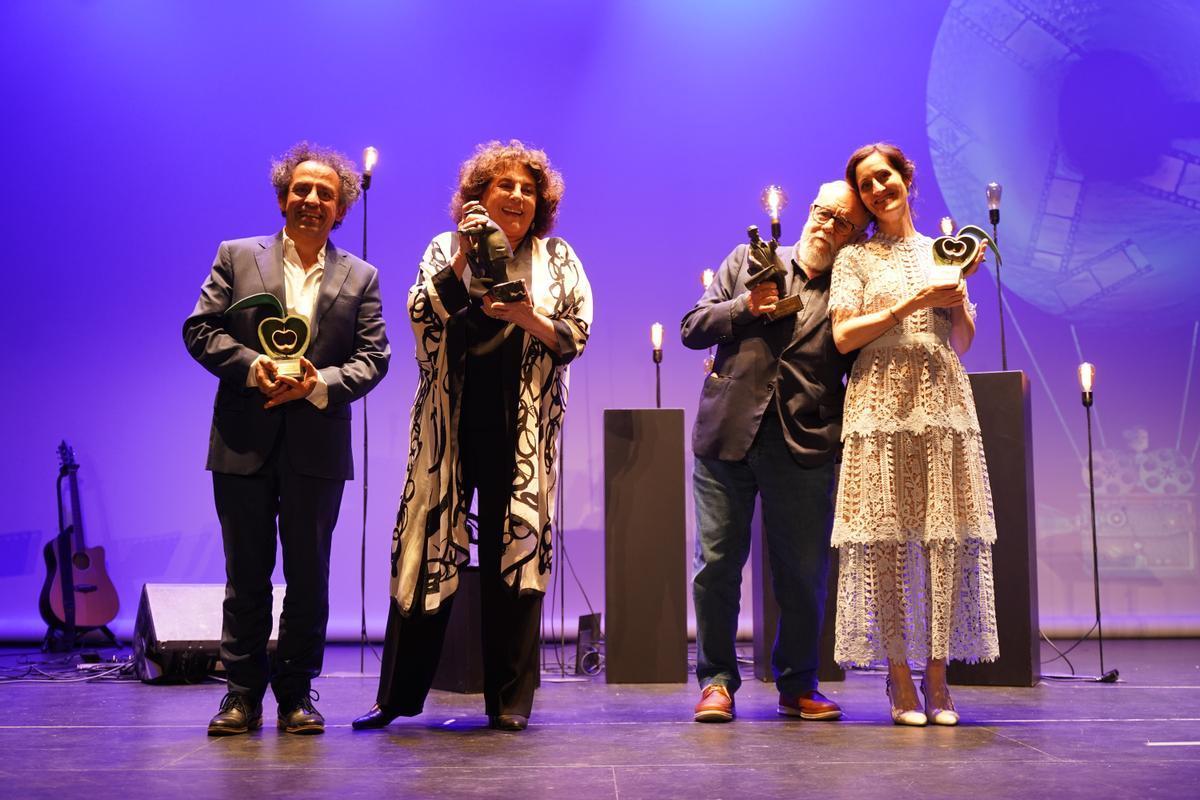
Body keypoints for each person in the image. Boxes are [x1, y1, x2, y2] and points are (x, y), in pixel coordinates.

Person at [353, 140, 592, 733]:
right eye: (503, 185)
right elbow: (420, 311)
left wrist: (525, 316)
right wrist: (463, 255)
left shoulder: (558, 259)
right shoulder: (444, 248)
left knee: (517, 557)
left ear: (541, 204)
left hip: (523, 430)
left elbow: (575, 335)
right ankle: (399, 698)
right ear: (478, 197)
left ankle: (508, 702)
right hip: (448, 427)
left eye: (527, 189)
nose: (516, 195)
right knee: (425, 550)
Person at [184, 142, 390, 735]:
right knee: (245, 574)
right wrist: (255, 368)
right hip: (243, 442)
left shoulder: (363, 277)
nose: (312, 200)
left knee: (309, 577)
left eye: (326, 194)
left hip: (317, 448)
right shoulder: (235, 256)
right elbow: (200, 329)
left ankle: (297, 694)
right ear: (282, 197)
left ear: (341, 209)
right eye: (302, 190)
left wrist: (316, 383)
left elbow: (374, 359)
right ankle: (240, 697)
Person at [681, 180, 869, 723]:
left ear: (856, 236)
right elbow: (693, 327)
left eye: (842, 221)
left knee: (803, 573)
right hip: (726, 437)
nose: (826, 225)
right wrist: (745, 306)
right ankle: (716, 681)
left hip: (805, 441)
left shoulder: (850, 291)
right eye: (821, 212)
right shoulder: (747, 260)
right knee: (716, 566)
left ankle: (798, 683)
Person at [829, 142, 998, 726]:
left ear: (906, 181)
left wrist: (957, 297)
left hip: (941, 399)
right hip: (878, 400)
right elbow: (844, 337)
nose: (879, 190)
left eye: (886, 178)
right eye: (867, 184)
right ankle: (898, 678)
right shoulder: (855, 259)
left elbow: (964, 342)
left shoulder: (941, 251)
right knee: (885, 538)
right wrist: (914, 301)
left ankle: (938, 677)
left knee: (942, 536)